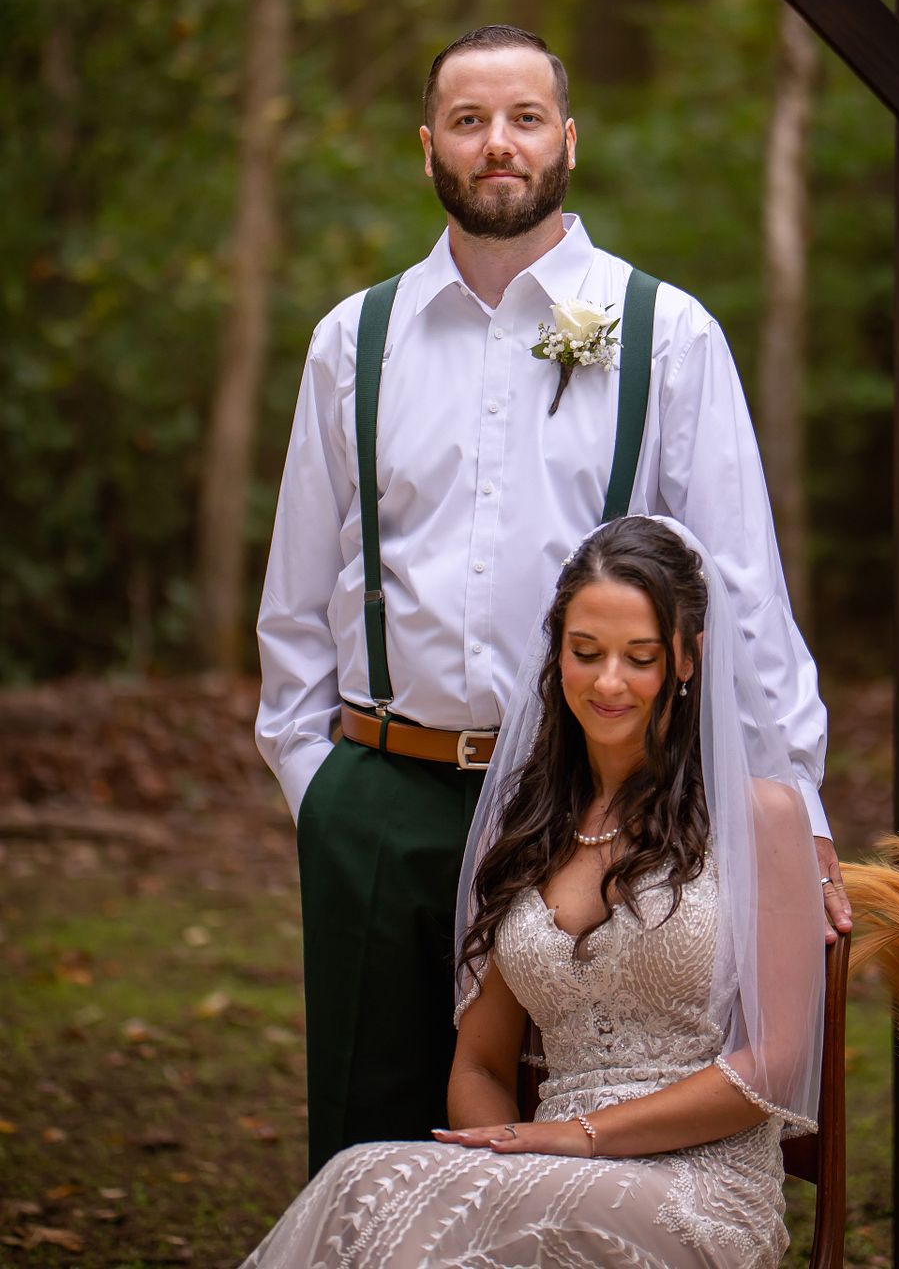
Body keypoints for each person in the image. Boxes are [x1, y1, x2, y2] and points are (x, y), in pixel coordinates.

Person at [256, 22, 850, 1175]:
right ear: (427, 145)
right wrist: (318, 787)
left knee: (565, 1131)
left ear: (567, 140)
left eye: (524, 118)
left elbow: (741, 591)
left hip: (595, 804)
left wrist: (799, 808)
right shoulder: (353, 342)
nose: (498, 145)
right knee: (368, 1134)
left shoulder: (668, 333)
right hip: (387, 796)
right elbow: (295, 596)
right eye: (470, 122)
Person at [243, 517, 826, 1269]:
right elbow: (480, 1065)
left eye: (639, 658)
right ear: (557, 656)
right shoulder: (519, 831)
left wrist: (572, 1140)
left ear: (688, 658)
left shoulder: (760, 818)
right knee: (356, 1182)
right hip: (542, 1173)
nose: (608, 681)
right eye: (586, 653)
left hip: (696, 1186)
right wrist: (505, 1157)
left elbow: (774, 1065)